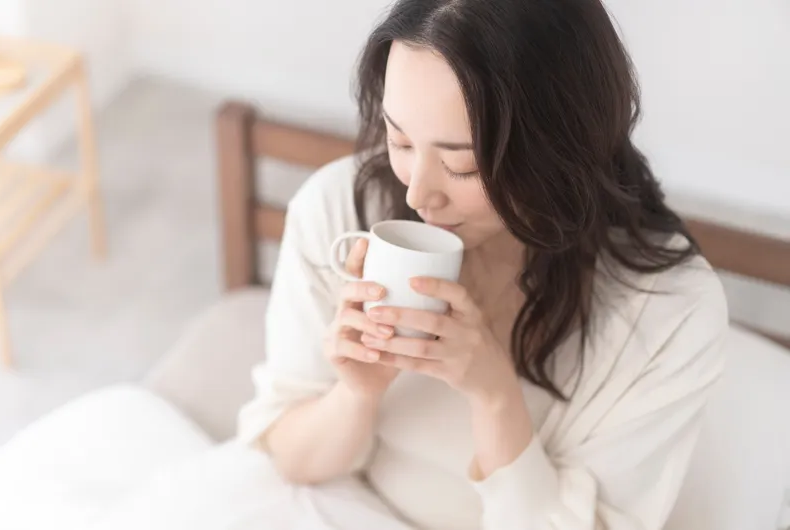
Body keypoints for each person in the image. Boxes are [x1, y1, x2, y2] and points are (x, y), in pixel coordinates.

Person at [232, 0, 728, 529]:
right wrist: (357, 392)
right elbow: (291, 457)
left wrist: (495, 395)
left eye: (461, 165)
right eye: (399, 139)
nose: (419, 193)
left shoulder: (668, 311)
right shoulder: (341, 210)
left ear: (560, 149)